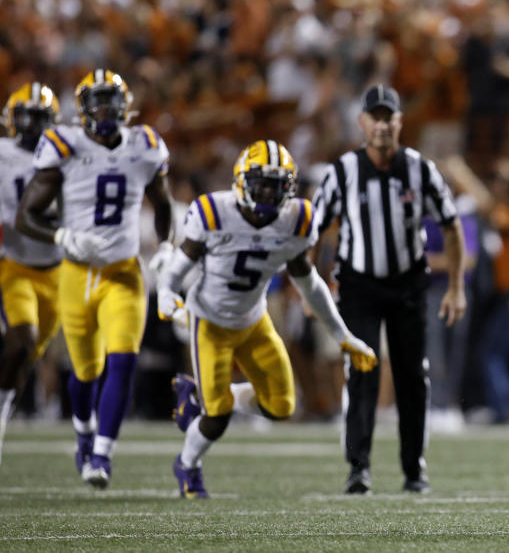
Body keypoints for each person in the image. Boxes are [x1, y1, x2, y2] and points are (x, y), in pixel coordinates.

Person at [156, 140, 376, 498]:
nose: (267, 194)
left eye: (276, 186)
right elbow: (181, 265)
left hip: (254, 321)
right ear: (241, 182)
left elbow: (310, 284)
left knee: (281, 406)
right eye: (260, 184)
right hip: (209, 322)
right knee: (217, 418)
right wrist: (167, 293)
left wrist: (341, 335)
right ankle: (188, 465)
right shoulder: (214, 212)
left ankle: (199, 394)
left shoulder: (297, 220)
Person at [16, 69, 175, 488]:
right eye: (97, 101)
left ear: (126, 106)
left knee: (123, 359)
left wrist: (165, 247)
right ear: (83, 109)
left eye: (112, 100)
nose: (106, 109)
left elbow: (163, 204)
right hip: (76, 274)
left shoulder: (145, 146)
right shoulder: (65, 145)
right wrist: (61, 234)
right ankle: (84, 433)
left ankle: (102, 455)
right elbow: (26, 215)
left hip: (124, 273)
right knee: (85, 373)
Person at [312, 84, 467, 494]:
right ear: (362, 123)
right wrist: (310, 289)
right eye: (374, 117)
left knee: (412, 376)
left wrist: (455, 287)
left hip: (407, 285)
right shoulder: (343, 170)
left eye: (388, 117)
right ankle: (358, 467)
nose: (381, 125)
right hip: (358, 284)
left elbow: (452, 225)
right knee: (362, 371)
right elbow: (310, 232)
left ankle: (413, 468)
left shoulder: (420, 168)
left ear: (399, 122)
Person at [0, 83, 62, 464]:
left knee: (24, 358)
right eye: (25, 117)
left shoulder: (66, 157)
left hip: (57, 271)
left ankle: (5, 406)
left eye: (39, 118)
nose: (31, 126)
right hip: (13, 264)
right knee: (21, 340)